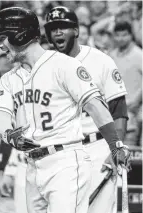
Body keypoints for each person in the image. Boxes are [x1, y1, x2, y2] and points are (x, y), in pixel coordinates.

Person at [0, 7, 131, 213]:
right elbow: (0, 114)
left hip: (65, 162)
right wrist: (8, 134)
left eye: (2, 37)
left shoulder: (64, 65)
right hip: (32, 165)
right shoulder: (8, 79)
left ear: (20, 34)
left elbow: (95, 105)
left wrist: (115, 145)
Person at [44, 6, 129, 213]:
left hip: (98, 146)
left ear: (76, 30)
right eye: (53, 28)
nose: (57, 33)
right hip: (62, 154)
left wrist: (115, 147)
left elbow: (118, 110)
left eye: (63, 27)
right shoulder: (45, 66)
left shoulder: (100, 61)